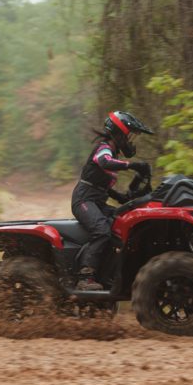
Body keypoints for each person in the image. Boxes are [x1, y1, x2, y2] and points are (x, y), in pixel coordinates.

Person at [71, 111, 154, 291]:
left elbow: (103, 187)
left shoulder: (113, 152)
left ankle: (106, 276)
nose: (131, 142)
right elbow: (104, 162)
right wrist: (133, 165)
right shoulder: (104, 148)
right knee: (102, 231)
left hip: (97, 202)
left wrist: (122, 197)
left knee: (120, 227)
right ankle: (85, 277)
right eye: (130, 136)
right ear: (119, 133)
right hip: (84, 200)